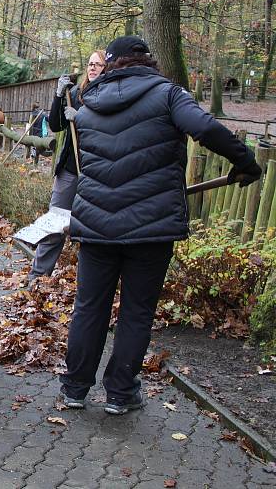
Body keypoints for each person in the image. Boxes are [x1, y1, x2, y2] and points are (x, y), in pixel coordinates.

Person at [59, 36, 261, 415]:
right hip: (150, 227)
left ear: (111, 64)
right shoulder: (168, 95)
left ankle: (74, 388)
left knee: (89, 306)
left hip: (96, 224)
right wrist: (246, 162)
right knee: (136, 310)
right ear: (147, 62)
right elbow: (205, 128)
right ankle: (120, 393)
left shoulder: (88, 108)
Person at [28, 50, 106, 282]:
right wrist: (59, 96)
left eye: (98, 64)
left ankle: (87, 281)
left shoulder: (109, 96)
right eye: (90, 64)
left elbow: (106, 130)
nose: (92, 68)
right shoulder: (76, 93)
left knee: (90, 229)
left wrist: (81, 117)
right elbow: (56, 124)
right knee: (55, 223)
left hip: (95, 172)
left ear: (107, 68)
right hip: (70, 170)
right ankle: (38, 277)